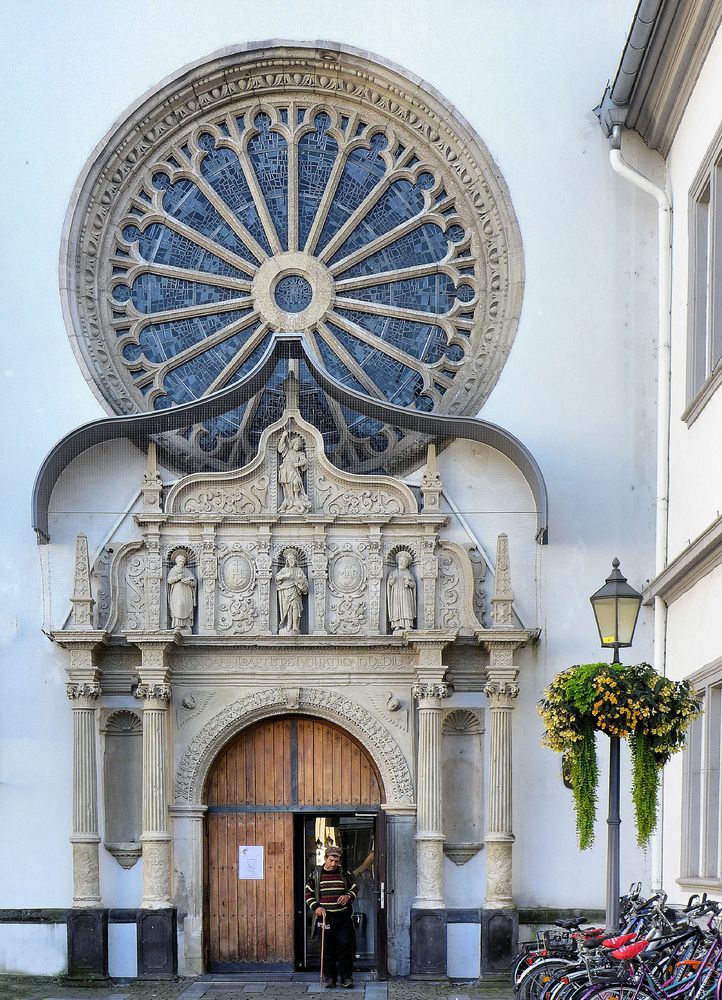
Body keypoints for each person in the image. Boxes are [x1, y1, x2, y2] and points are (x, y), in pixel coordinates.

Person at [305, 845, 358, 989]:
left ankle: (346, 978)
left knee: (345, 947)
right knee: (327, 949)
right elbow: (308, 894)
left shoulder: (344, 873)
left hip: (343, 917)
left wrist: (348, 896)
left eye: (337, 861)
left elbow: (354, 888)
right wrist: (317, 907)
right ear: (325, 858)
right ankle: (330, 978)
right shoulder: (316, 874)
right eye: (331, 860)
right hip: (325, 918)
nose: (334, 864)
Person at [276, 549, 309, 634]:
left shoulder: (299, 570)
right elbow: (277, 578)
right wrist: (285, 575)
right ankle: (288, 624)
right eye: (289, 559)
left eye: (293, 559)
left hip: (295, 591)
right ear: (287, 561)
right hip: (285, 592)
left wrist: (300, 579)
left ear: (295, 560)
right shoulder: (284, 570)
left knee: (295, 606)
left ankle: (295, 625)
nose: (291, 561)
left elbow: (305, 583)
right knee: (287, 609)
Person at [386, 550, 416, 633]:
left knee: (406, 607)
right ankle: (397, 625)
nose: (403, 563)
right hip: (396, 594)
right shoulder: (393, 572)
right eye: (401, 561)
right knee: (396, 608)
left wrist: (409, 583)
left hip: (406, 594)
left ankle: (407, 625)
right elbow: (390, 584)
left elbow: (413, 585)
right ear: (398, 561)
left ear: (407, 564)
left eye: (405, 561)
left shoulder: (408, 573)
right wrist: (392, 581)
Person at [167, 552, 196, 630]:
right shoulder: (173, 570)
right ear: (177, 561)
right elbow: (169, 580)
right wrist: (177, 577)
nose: (182, 563)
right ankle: (177, 624)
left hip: (187, 592)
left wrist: (189, 582)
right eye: (180, 561)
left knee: (187, 606)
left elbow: (194, 582)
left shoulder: (187, 571)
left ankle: (187, 624)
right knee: (178, 605)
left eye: (183, 561)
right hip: (177, 592)